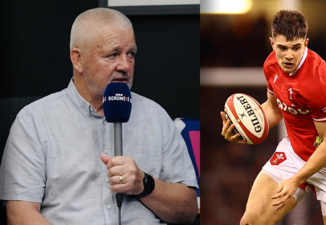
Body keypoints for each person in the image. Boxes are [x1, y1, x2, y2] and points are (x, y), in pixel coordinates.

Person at [0, 8, 198, 225]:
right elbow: (20, 215)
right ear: (78, 59)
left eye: (130, 54)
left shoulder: (156, 117)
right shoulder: (33, 121)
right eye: (113, 54)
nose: (125, 65)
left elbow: (188, 212)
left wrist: (144, 184)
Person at [221, 10, 326, 225]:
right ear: (272, 43)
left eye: (296, 48)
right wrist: (241, 129)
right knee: (250, 222)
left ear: (306, 43)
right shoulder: (271, 66)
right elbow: (274, 108)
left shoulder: (321, 83)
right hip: (295, 153)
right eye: (282, 48)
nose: (289, 56)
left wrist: (297, 179)